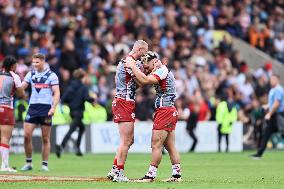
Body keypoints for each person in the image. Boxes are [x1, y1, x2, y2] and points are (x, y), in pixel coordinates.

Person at [124, 51, 182, 182]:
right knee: (170, 146)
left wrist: (133, 67)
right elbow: (142, 81)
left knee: (156, 144)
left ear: (154, 61)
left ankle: (150, 175)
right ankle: (176, 175)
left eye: (147, 67)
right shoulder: (161, 70)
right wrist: (133, 73)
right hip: (169, 110)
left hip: (165, 111)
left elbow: (144, 80)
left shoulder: (161, 70)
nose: (146, 70)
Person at [107, 40, 148, 182]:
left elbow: (130, 83)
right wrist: (151, 75)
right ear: (140, 49)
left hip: (123, 100)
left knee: (129, 141)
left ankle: (114, 169)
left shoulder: (124, 61)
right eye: (145, 52)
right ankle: (119, 172)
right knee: (126, 141)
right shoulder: (131, 62)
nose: (146, 55)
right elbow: (142, 81)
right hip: (124, 102)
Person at [20, 53, 60, 171]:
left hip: (46, 109)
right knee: (26, 136)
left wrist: (53, 107)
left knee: (45, 138)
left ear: (43, 62)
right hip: (32, 108)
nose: (34, 64)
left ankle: (44, 164)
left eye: (37, 62)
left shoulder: (52, 75)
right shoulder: (30, 74)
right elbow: (22, 87)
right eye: (33, 62)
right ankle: (28, 163)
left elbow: (56, 92)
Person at [56, 68, 96, 158]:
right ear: (82, 77)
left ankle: (77, 148)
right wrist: (93, 98)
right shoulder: (83, 87)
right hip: (79, 112)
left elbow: (64, 99)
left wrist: (71, 103)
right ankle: (61, 146)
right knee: (71, 130)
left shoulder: (70, 87)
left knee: (81, 128)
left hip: (72, 111)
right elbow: (87, 98)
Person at [0, 56, 26, 172]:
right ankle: (4, 165)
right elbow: (21, 94)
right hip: (6, 108)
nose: (17, 67)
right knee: (5, 137)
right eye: (15, 65)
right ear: (12, 66)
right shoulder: (14, 76)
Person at [251, 74, 284, 159]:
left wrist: (269, 113)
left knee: (280, 133)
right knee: (266, 133)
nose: (271, 81)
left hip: (278, 115)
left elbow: (277, 103)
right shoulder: (272, 90)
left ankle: (259, 153)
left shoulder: (278, 90)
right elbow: (272, 103)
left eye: (273, 79)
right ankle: (259, 153)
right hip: (274, 116)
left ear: (277, 80)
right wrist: (267, 106)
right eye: (271, 79)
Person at [216, 86, 238, 152]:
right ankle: (227, 148)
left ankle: (219, 148)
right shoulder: (231, 104)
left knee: (220, 136)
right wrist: (232, 120)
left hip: (222, 123)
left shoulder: (221, 105)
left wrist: (219, 122)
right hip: (228, 124)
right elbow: (234, 113)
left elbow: (219, 114)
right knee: (226, 137)